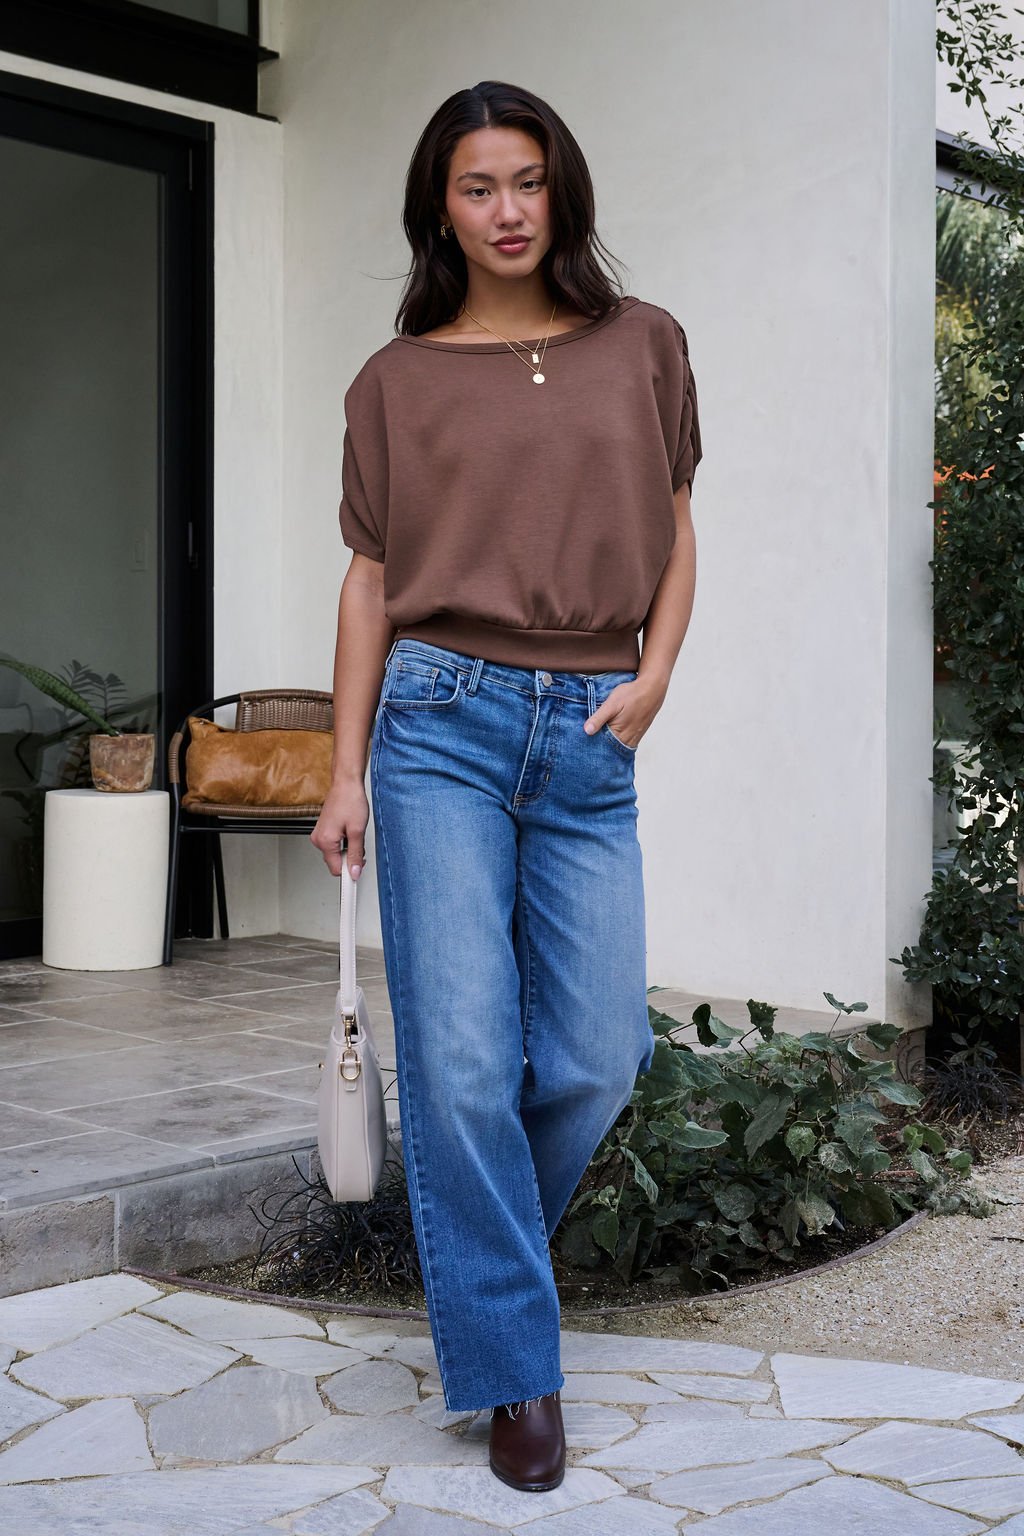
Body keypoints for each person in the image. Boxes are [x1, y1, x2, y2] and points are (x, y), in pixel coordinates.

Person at [311, 78, 702, 1493]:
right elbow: (369, 581)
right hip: (438, 724)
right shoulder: (396, 381)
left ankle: (481, 1284)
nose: (508, 210)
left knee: (602, 1053)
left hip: (593, 729)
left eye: (527, 181)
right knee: (466, 1061)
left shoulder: (643, 345)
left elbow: (672, 529)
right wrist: (345, 768)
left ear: (562, 189)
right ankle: (514, 1371)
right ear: (442, 210)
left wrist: (654, 677)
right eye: (478, 188)